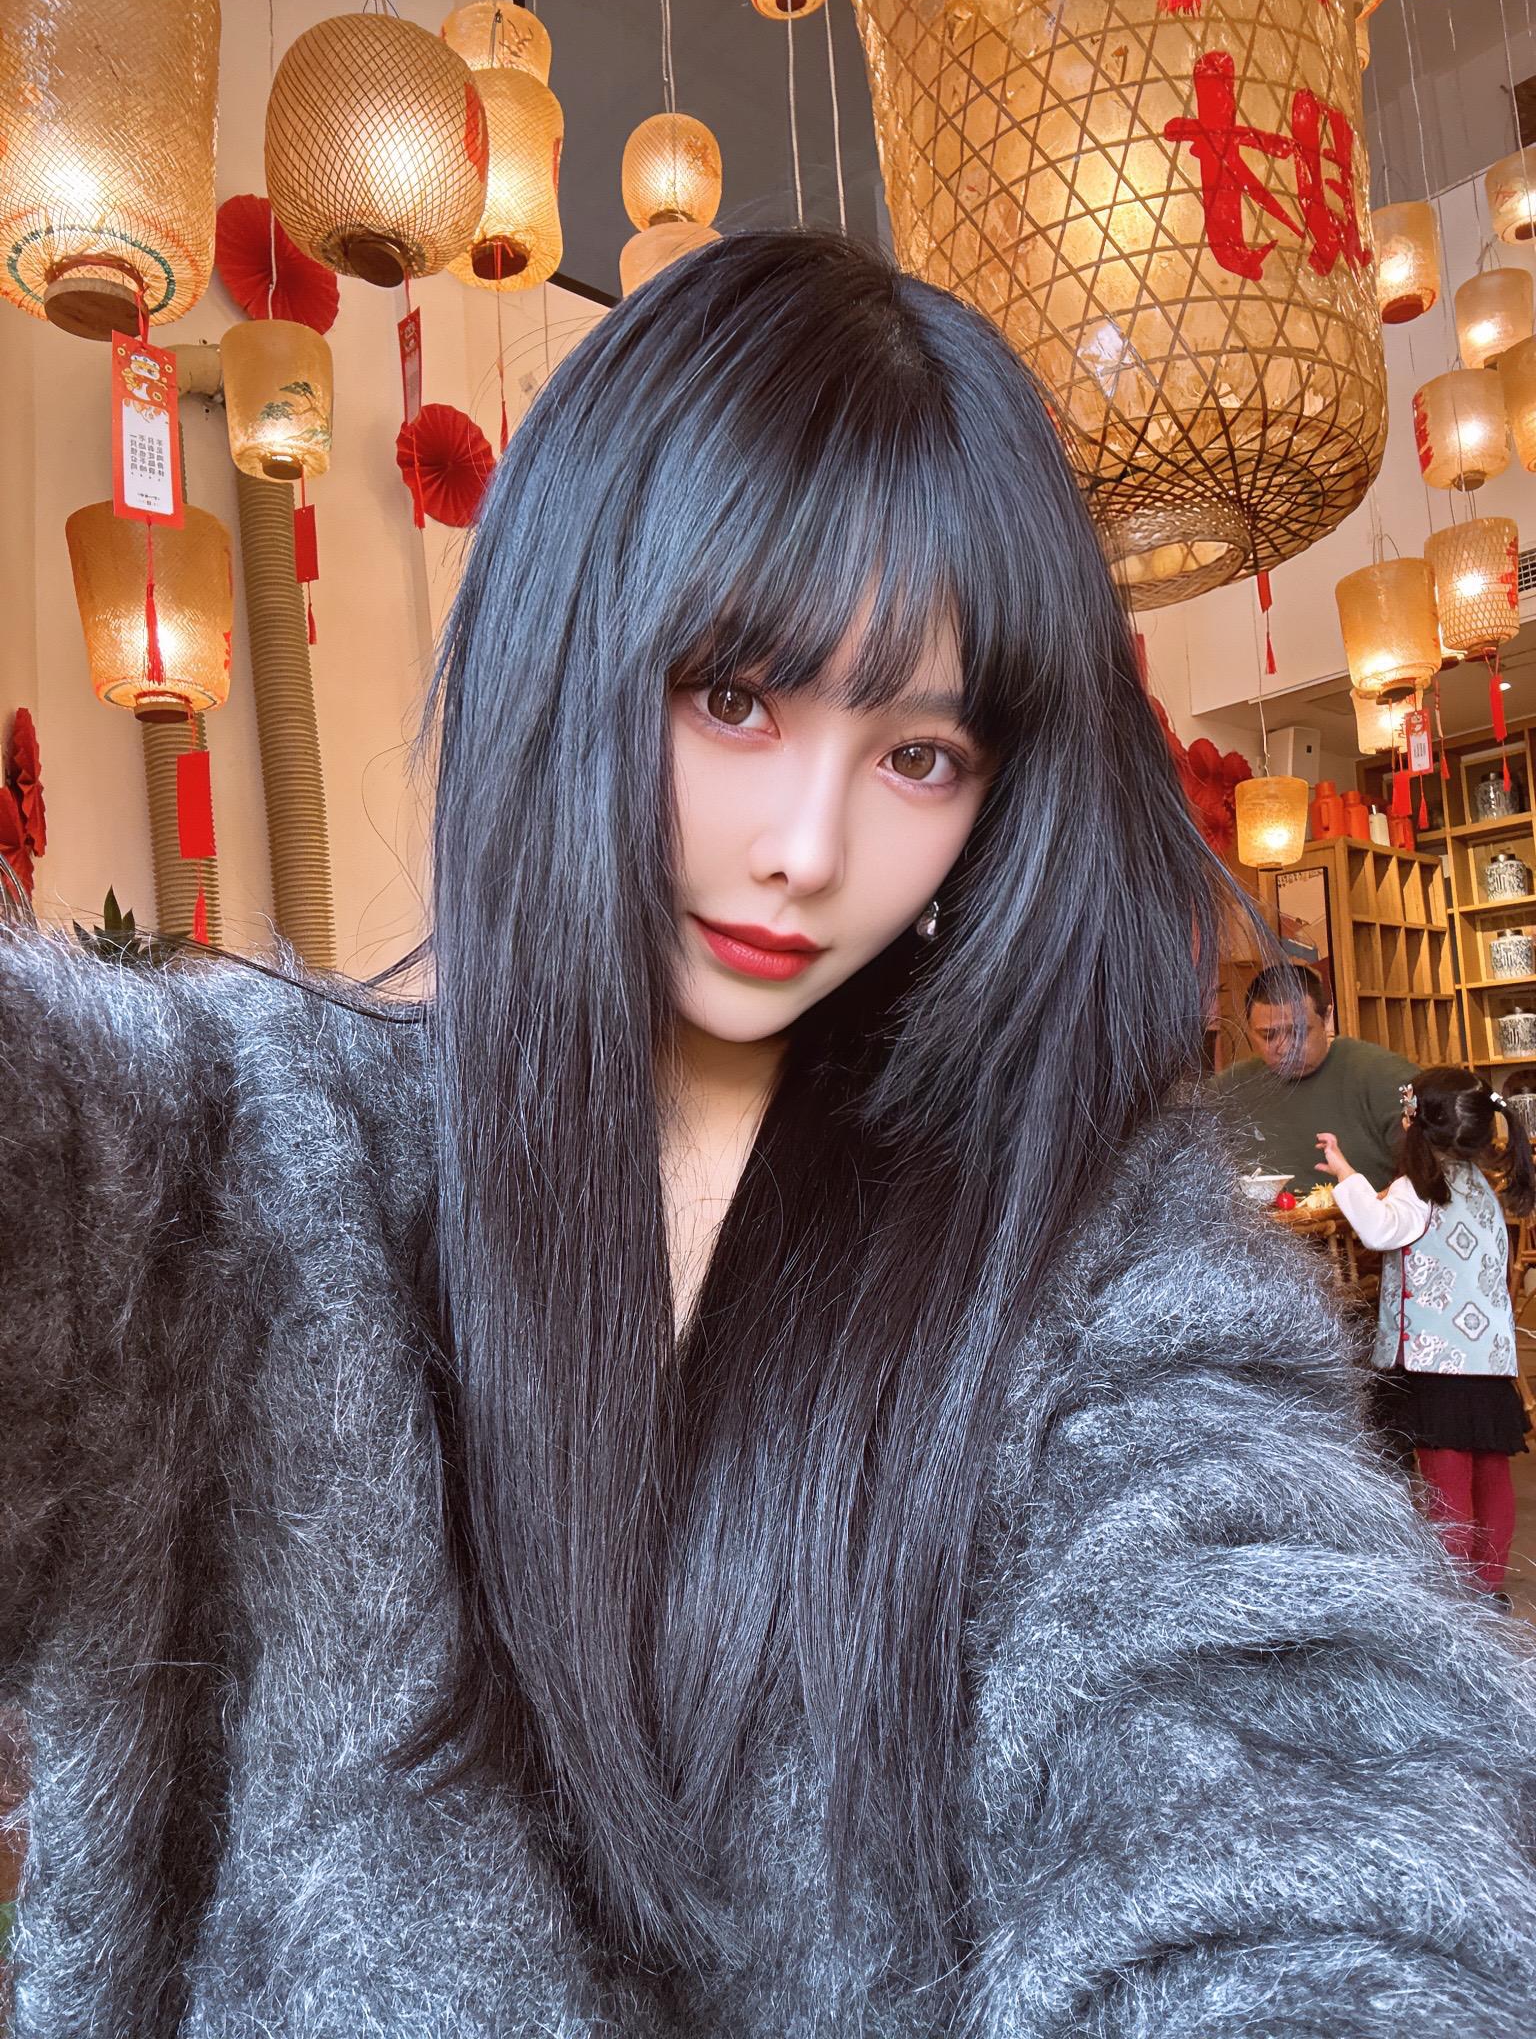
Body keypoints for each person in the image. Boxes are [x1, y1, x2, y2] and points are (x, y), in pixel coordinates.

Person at [3, 231, 1536, 2038]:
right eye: (735, 696)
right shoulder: (256, 1171)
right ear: (570, 649)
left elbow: (1287, 1775)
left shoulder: (1093, 1263)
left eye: (919, 755)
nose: (808, 848)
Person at [1318, 1069, 1535, 1601]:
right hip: (1487, 1362)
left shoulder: (1418, 1188)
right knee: (1490, 1476)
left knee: (1447, 1483)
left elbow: (1378, 1230)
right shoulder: (1479, 1186)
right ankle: (1486, 1587)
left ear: (1413, 1122)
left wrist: (1345, 1172)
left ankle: (1452, 1597)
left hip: (1437, 1363)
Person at [1214, 960, 1418, 1189]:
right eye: (1268, 1035)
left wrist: (1373, 1204)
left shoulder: (1388, 1077)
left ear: (1326, 1018)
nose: (1285, 1048)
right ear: (1248, 1029)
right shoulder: (1228, 1089)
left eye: (1298, 1031)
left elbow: (1435, 1172)